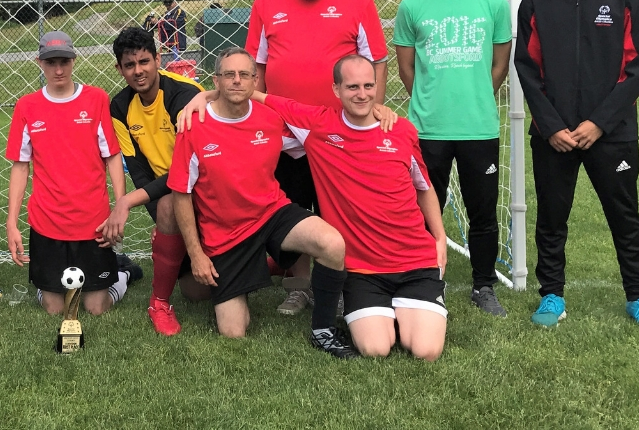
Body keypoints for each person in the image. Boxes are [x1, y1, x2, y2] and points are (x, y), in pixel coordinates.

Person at [185, 54, 448, 360]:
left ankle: (409, 308)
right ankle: (371, 315)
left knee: (426, 352)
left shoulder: (400, 130)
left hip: (414, 259)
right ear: (336, 89)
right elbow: (259, 94)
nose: (361, 94)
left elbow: (424, 187)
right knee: (376, 349)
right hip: (363, 268)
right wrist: (206, 94)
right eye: (352, 87)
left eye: (368, 86)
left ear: (378, 88)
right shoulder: (318, 125)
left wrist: (439, 237)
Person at [514, 0, 639, 333]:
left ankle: (638, 298)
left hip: (611, 134)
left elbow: (638, 68)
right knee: (551, 216)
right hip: (554, 135)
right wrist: (551, 126)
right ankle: (552, 294)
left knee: (625, 215)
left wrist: (598, 123)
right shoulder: (536, 2)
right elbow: (527, 68)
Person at [167, 48, 352, 354]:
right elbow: (181, 194)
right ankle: (253, 271)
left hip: (271, 213)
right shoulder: (194, 126)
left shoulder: (272, 120)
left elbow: (324, 130)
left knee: (331, 243)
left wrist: (374, 113)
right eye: (228, 74)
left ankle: (323, 329)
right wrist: (197, 254)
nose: (236, 81)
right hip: (226, 233)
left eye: (244, 75)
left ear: (255, 81)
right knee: (233, 331)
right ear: (216, 80)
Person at [245, 0, 390, 315]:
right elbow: (255, 64)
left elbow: (376, 60)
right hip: (282, 129)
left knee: (338, 209)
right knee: (291, 208)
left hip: (335, 131)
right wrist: (256, 115)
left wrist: (375, 106)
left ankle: (341, 284)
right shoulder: (267, 1)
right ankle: (298, 285)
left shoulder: (357, 1)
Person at [392, 0, 512, 318]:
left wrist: (475, 97)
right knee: (426, 209)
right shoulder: (412, 7)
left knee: (483, 211)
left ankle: (483, 285)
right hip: (427, 128)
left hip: (478, 127)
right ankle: (427, 281)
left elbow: (498, 66)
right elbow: (407, 69)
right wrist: (431, 101)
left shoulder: (494, 4)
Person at [4, 31, 139, 316]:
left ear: (74, 60)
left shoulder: (96, 99)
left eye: (64, 61)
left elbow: (113, 156)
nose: (58, 69)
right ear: (39, 62)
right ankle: (52, 281)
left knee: (96, 308)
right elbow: (20, 165)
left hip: (92, 221)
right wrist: (11, 222)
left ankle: (124, 273)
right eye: (51, 61)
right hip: (47, 220)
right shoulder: (27, 107)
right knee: (55, 308)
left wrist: (118, 207)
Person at [105, 27, 204, 336]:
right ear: (119, 69)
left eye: (144, 62)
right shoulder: (119, 107)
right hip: (170, 199)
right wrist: (163, 225)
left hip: (207, 188)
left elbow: (185, 170)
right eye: (130, 65)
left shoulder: (185, 95)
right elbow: (138, 171)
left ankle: (264, 265)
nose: (139, 71)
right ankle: (160, 300)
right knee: (195, 292)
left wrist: (127, 201)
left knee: (208, 288)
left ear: (158, 59)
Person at [157, 0, 187, 67]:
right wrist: (155, 22)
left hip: (178, 43)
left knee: (179, 64)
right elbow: (158, 23)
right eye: (166, 4)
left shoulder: (179, 12)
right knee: (170, 65)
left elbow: (173, 24)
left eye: (169, 4)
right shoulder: (166, 14)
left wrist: (162, 24)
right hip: (168, 44)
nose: (167, 6)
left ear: (174, 2)